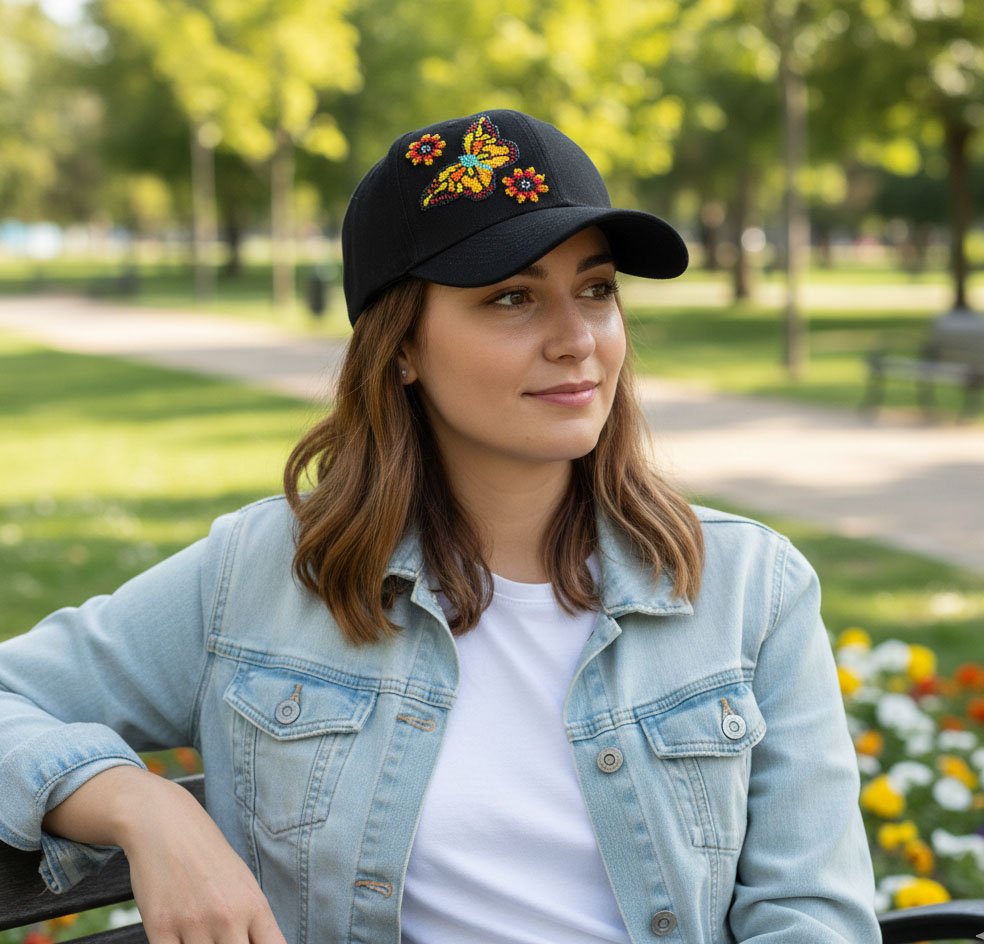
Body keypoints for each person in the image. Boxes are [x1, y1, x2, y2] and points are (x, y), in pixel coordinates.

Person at [0, 109, 879, 943]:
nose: (578, 339)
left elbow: (815, 915)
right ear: (404, 347)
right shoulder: (264, 575)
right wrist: (140, 805)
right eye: (511, 298)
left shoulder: (749, 590)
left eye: (597, 289)